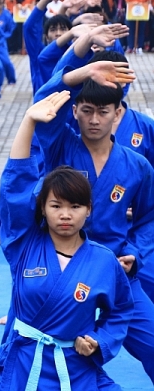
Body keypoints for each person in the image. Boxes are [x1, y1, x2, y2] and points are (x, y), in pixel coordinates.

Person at [0, 90, 134, 391]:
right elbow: (15, 189)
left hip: (77, 368)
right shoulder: (23, 245)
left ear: (89, 210)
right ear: (42, 208)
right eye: (56, 206)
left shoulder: (104, 260)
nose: (65, 215)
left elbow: (119, 310)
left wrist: (98, 340)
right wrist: (27, 121)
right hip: (24, 366)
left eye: (75, 207)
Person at [34, 61, 154, 385]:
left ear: (118, 114)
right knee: (30, 342)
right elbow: (44, 100)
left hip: (117, 269)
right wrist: (80, 73)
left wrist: (136, 254)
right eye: (87, 111)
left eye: (104, 112)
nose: (95, 120)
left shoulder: (137, 166)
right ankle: (9, 360)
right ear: (75, 111)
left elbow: (148, 219)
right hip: (60, 268)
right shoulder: (60, 145)